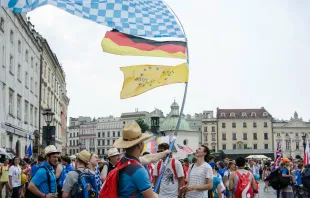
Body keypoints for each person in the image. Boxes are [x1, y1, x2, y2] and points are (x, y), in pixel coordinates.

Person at [112, 121, 159, 197]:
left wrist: (164, 153)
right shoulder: (138, 170)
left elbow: (147, 158)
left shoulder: (123, 161)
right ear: (140, 145)